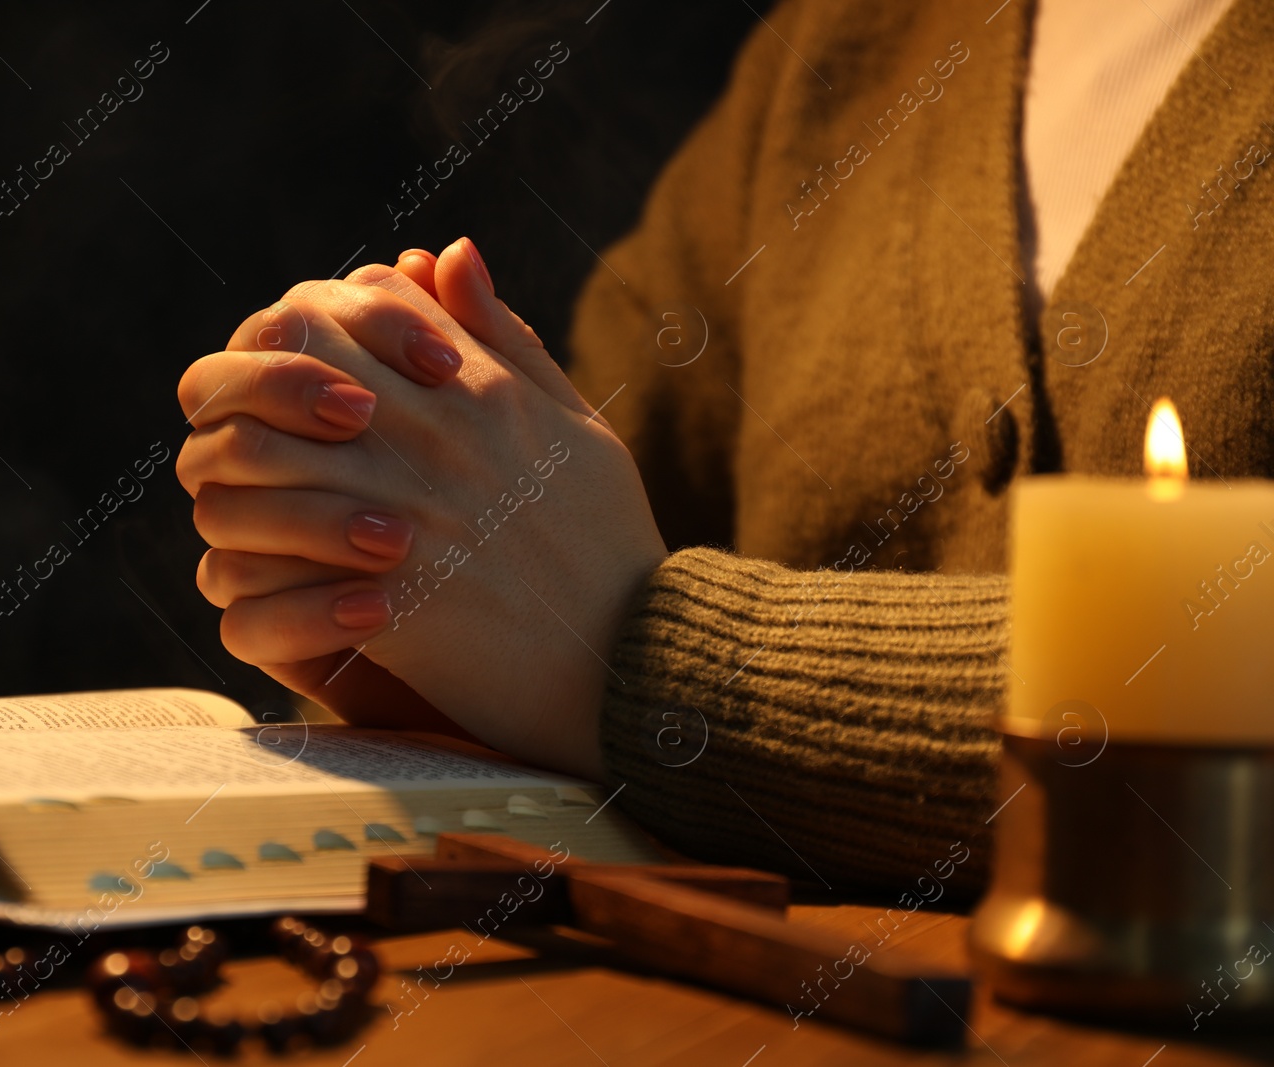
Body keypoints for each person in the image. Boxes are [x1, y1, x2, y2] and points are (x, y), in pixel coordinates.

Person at [174, 0, 1257, 894]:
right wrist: (410, 611)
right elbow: (569, 515)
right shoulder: (846, 53)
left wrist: (636, 661)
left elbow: (597, 621)